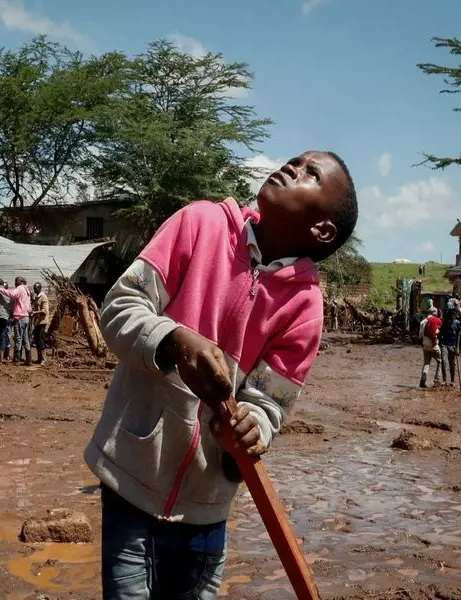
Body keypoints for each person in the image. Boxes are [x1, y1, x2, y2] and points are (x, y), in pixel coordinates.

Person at [84, 150, 358, 599]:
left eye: (310, 173)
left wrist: (256, 426)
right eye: (295, 160)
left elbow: (272, 402)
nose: (292, 166)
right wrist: (173, 340)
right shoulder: (200, 224)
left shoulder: (305, 306)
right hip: (131, 481)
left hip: (207, 508)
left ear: (322, 229)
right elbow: (118, 308)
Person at [0, 276, 32, 365]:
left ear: (20, 282)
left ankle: (17, 359)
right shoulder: (27, 290)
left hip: (19, 317)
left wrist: (1, 289)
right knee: (26, 338)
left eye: (16, 282)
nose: (15, 284)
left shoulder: (20, 289)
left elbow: (11, 294)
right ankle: (28, 360)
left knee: (18, 338)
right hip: (26, 316)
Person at [419, 306, 442, 388]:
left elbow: (420, 336)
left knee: (426, 363)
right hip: (433, 345)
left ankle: (422, 381)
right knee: (440, 361)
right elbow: (435, 332)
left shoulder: (423, 322)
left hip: (425, 345)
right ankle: (436, 380)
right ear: (435, 313)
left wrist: (423, 345)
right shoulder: (434, 321)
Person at [439, 309, 461, 387]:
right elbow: (440, 333)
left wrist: (457, 347)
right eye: (450, 316)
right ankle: (444, 380)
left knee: (452, 363)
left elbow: (458, 335)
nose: (451, 317)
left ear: (455, 316)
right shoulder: (444, 323)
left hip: (453, 345)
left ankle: (452, 380)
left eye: (453, 316)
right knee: (444, 362)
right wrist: (440, 344)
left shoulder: (457, 323)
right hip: (444, 344)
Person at [30, 282, 50, 365]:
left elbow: (44, 311)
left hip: (42, 322)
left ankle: (44, 360)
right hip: (37, 322)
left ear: (39, 288)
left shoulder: (43, 297)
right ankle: (39, 359)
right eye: (34, 288)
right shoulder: (37, 297)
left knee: (41, 340)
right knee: (37, 340)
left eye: (36, 288)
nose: (34, 289)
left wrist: (34, 312)